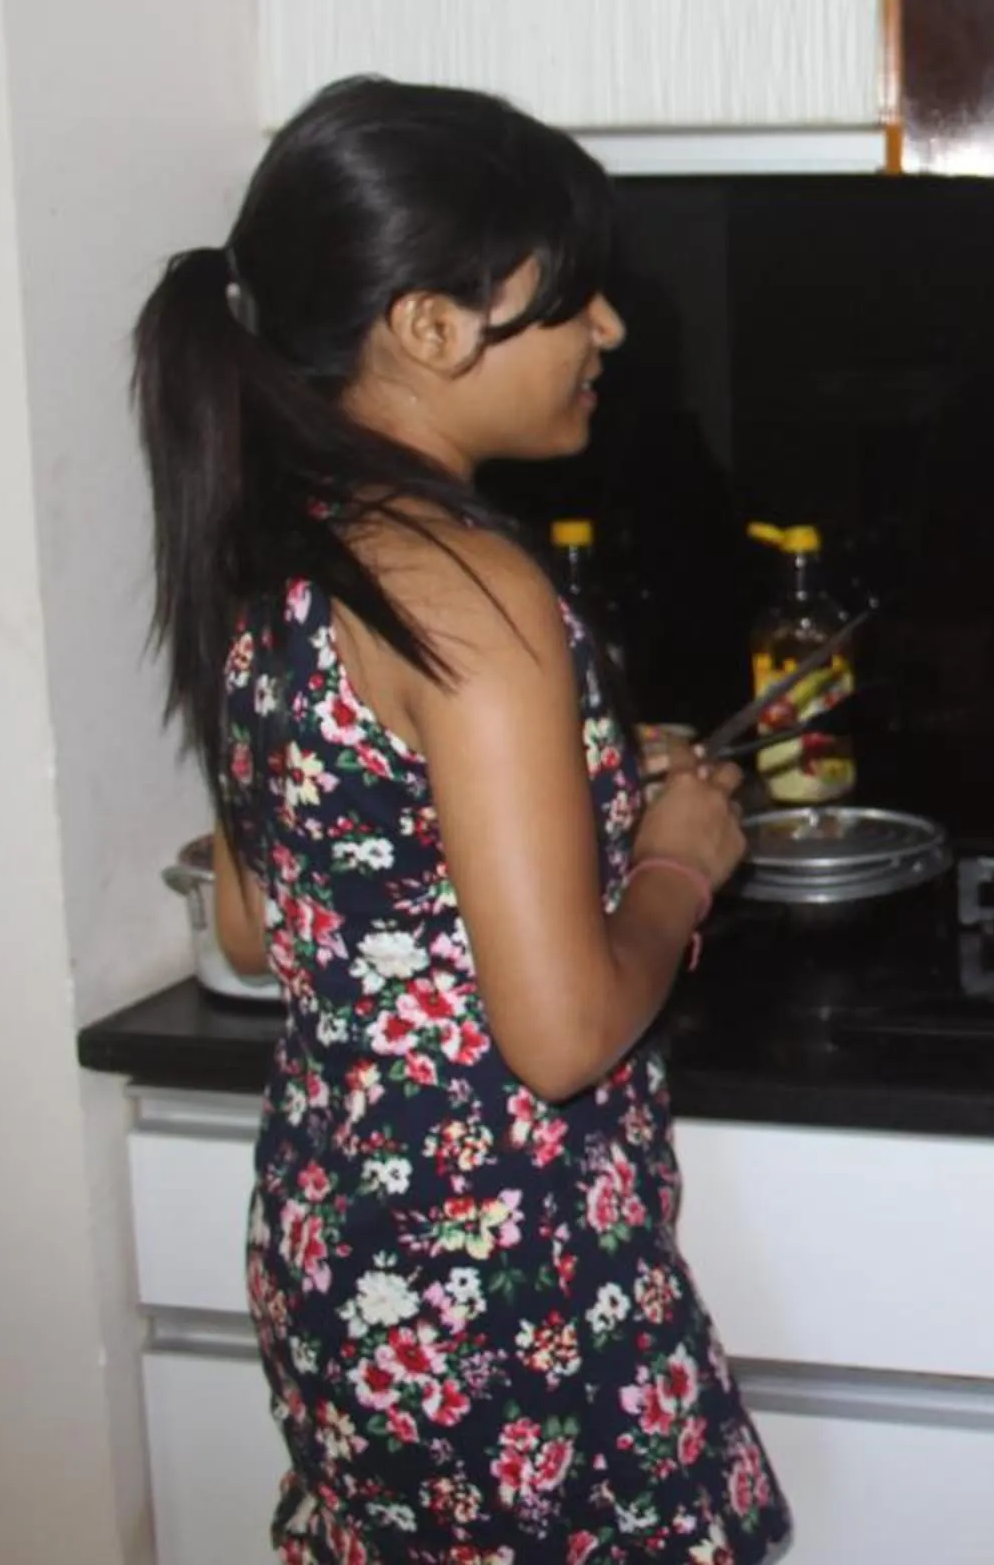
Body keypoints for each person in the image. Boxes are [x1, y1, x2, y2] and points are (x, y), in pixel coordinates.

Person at [133, 77, 792, 1562]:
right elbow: (557, 1032)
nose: (609, 331)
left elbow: (262, 923)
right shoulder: (470, 586)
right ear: (429, 328)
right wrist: (680, 858)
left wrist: (592, 783)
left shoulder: (283, 552)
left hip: (343, 1247)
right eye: (565, 300)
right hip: (505, 1283)